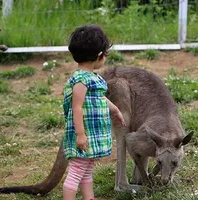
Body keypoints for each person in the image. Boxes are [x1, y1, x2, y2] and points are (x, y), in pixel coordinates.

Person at [62, 24, 126, 200]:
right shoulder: (81, 80)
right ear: (99, 55)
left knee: (87, 169)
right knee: (76, 172)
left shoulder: (92, 78)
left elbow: (99, 98)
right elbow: (77, 106)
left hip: (93, 133)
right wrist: (80, 135)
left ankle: (89, 197)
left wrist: (115, 110)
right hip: (85, 134)